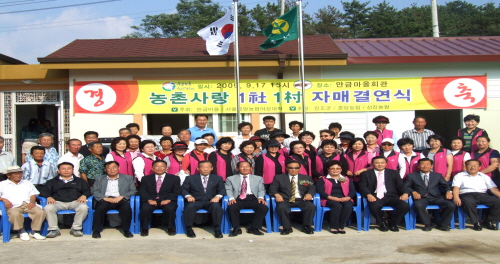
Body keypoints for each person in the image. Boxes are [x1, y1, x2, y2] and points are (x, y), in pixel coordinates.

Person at [359, 156, 409, 232]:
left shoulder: (393, 173)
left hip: (390, 196)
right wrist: (368, 194)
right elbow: (362, 186)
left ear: (386, 163)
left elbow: (400, 185)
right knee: (375, 206)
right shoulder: (366, 174)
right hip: (374, 196)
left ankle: (393, 222)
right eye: (377, 163)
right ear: (372, 164)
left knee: (404, 206)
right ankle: (381, 223)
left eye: (382, 163)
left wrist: (405, 193)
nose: (380, 164)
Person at [41, 162, 91, 238]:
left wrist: (84, 196)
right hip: (57, 202)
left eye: (69, 169)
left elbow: (87, 190)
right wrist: (49, 197)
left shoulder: (80, 181)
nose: (66, 171)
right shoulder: (51, 181)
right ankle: (53, 230)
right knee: (48, 208)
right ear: (58, 171)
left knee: (83, 207)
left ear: (73, 170)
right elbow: (44, 191)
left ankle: (76, 229)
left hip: (75, 201)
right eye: (63, 169)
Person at [405, 158, 456, 231]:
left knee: (451, 205)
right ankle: (427, 224)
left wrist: (448, 191)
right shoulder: (411, 176)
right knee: (418, 205)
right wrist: (413, 192)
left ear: (431, 166)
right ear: (418, 166)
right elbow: (406, 186)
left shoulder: (437, 175)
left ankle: (442, 224)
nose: (425, 166)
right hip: (421, 198)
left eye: (428, 164)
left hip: (436, 197)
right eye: (423, 164)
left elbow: (446, 185)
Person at [269, 160, 316, 235]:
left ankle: (306, 226)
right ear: (286, 168)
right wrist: (276, 194)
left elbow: (312, 188)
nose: (294, 170)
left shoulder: (306, 178)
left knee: (311, 206)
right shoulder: (279, 178)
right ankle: (287, 228)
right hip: (286, 199)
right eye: (291, 168)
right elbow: (272, 189)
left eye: (296, 168)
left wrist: (310, 194)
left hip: (301, 199)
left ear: (299, 168)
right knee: (281, 207)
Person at [0, 165, 46, 241]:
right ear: (8, 175)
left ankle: (34, 231)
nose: (18, 175)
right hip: (12, 205)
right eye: (15, 174)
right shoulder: (2, 184)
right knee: (15, 214)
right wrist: (4, 200)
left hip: (27, 203)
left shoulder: (27, 183)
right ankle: (21, 231)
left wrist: (32, 201)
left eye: (20, 173)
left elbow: (33, 194)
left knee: (40, 212)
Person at [91, 161, 136, 238]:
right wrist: (105, 198)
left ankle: (126, 230)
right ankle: (96, 231)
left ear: (119, 168)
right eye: (109, 168)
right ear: (105, 169)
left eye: (114, 167)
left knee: (126, 208)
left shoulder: (128, 178)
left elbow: (133, 190)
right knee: (99, 209)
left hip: (120, 199)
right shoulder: (99, 179)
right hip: (105, 199)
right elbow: (94, 191)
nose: (112, 169)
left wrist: (122, 196)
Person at [182, 161, 226, 238]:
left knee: (216, 207)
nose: (206, 169)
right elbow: (183, 189)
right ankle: (189, 228)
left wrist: (217, 196)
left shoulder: (217, 178)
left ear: (212, 168)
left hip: (211, 200)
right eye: (203, 167)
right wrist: (188, 196)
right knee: (189, 207)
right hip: (196, 200)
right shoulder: (190, 178)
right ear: (198, 168)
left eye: (208, 167)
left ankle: (217, 229)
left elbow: (222, 189)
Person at [452, 159, 500, 231]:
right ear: (466, 166)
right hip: (467, 194)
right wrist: (456, 197)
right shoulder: (459, 176)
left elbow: (493, 188)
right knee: (468, 203)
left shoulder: (484, 176)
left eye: (475, 165)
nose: (473, 167)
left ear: (479, 167)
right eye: (470, 165)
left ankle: (488, 221)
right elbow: (456, 188)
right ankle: (476, 222)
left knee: (497, 202)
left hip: (483, 195)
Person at [225, 161, 268, 237]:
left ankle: (254, 227)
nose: (245, 168)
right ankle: (236, 228)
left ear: (251, 168)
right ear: (237, 168)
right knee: (232, 207)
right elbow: (228, 189)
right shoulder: (230, 179)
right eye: (242, 167)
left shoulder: (258, 178)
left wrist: (260, 197)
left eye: (247, 166)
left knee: (263, 207)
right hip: (238, 198)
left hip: (253, 198)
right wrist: (231, 198)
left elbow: (261, 189)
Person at [139, 160, 181, 236]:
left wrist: (168, 199)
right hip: (151, 200)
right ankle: (144, 228)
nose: (159, 168)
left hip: (167, 200)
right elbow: (142, 191)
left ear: (166, 168)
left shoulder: (174, 178)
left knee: (170, 208)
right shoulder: (145, 178)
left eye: (162, 166)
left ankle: (170, 228)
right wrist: (149, 199)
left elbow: (176, 191)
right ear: (152, 168)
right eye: (157, 166)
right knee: (145, 208)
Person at [316, 160, 355, 234]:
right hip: (329, 199)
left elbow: (352, 191)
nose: (335, 170)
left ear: (341, 169)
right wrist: (331, 197)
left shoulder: (346, 179)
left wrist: (348, 197)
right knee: (337, 206)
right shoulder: (323, 179)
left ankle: (341, 226)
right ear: (328, 169)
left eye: (338, 168)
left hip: (344, 198)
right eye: (332, 168)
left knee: (348, 205)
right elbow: (320, 191)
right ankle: (333, 226)